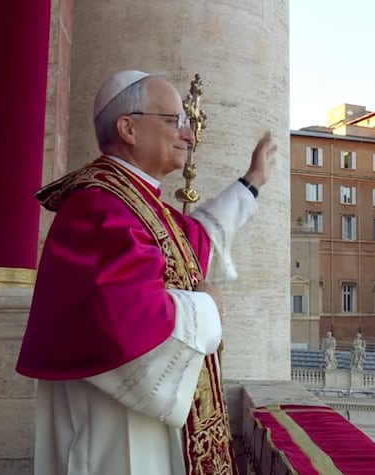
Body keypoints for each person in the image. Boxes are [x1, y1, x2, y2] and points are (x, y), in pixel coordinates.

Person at [15, 70, 276, 475]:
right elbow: (128, 320)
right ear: (128, 128)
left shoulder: (134, 200)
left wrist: (251, 183)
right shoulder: (99, 205)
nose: (189, 134)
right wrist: (207, 307)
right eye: (175, 120)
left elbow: (195, 240)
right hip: (115, 430)